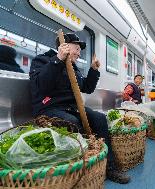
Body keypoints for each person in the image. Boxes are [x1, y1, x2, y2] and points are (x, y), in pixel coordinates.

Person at [29, 33, 130, 184]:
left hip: (71, 107)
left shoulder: (74, 68)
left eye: (79, 50)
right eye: (76, 48)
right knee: (71, 122)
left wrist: (93, 70)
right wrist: (58, 60)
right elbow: (41, 86)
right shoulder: (43, 60)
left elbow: (87, 88)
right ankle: (77, 174)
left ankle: (109, 167)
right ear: (63, 46)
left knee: (100, 118)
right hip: (48, 108)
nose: (78, 52)